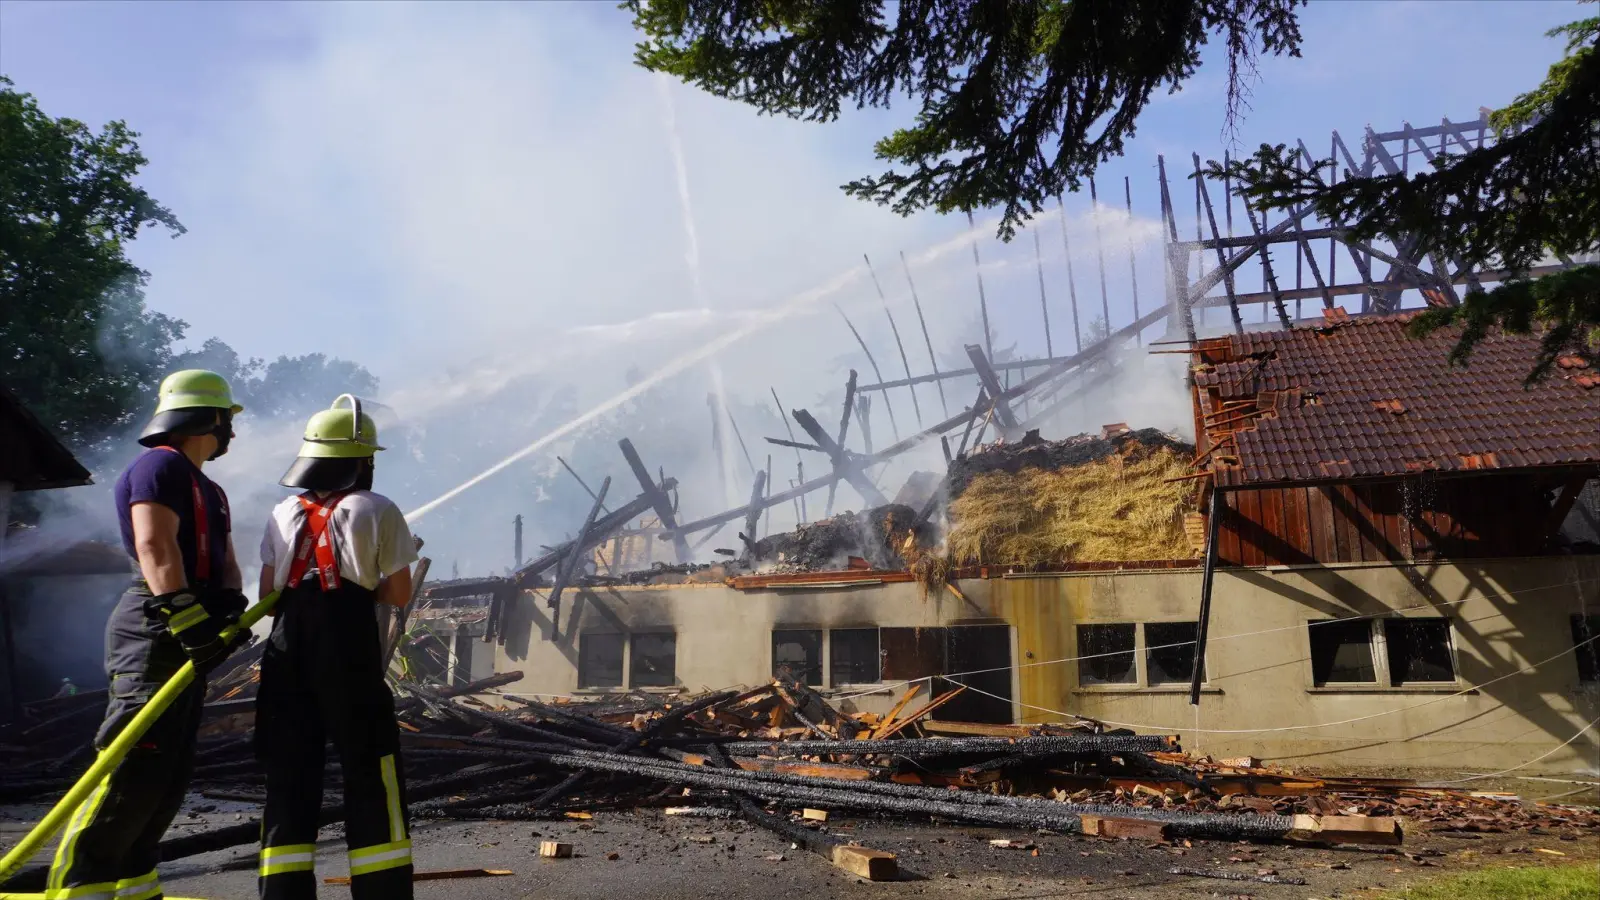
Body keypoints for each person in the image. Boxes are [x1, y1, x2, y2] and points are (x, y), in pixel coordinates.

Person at [48, 369, 248, 900]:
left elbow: (225, 560)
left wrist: (228, 610)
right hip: (155, 625)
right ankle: (78, 886)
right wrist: (186, 618)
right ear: (209, 418)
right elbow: (155, 547)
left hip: (189, 622)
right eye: (227, 420)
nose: (231, 432)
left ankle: (135, 885)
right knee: (133, 759)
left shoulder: (210, 487)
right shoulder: (158, 467)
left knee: (167, 773)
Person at [256, 395, 418, 899]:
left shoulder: (282, 512)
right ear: (362, 460)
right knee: (371, 768)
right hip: (347, 648)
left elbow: (266, 597)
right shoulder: (378, 508)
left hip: (286, 651)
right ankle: (381, 891)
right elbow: (397, 593)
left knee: (288, 773)